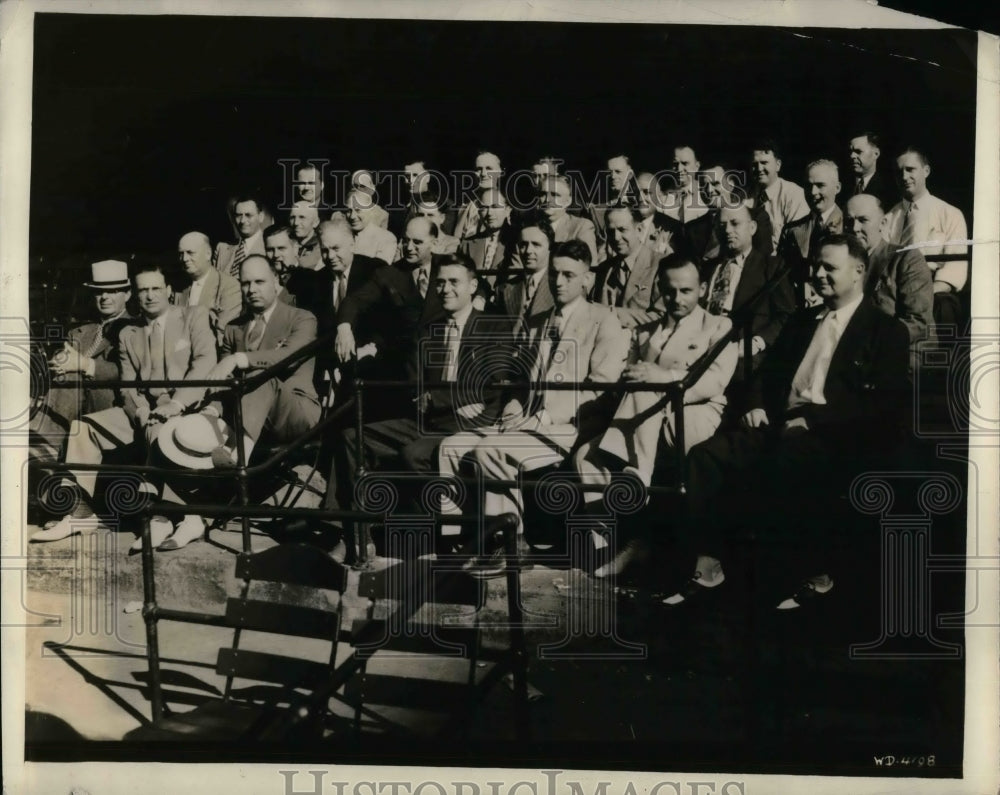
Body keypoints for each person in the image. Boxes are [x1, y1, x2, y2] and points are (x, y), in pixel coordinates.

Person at [664, 234, 909, 609]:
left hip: (833, 433)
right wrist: (758, 403)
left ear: (859, 271)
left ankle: (812, 575)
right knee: (706, 456)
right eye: (816, 267)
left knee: (788, 462)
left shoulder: (885, 330)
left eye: (830, 268)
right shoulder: (802, 320)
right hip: (777, 423)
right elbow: (767, 374)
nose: (818, 275)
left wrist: (814, 420)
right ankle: (709, 567)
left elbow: (882, 403)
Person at [438, 239, 629, 563]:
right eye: (554, 274)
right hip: (525, 421)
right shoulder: (537, 322)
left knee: (489, 451)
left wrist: (549, 417)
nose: (558, 282)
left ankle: (512, 541)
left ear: (588, 279)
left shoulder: (602, 320)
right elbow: (517, 376)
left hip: (572, 425)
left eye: (569, 275)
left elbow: (601, 387)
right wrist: (514, 401)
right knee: (450, 447)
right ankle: (457, 541)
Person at [331, 255, 512, 549]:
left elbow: (491, 385)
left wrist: (440, 397)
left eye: (454, 282)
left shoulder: (494, 328)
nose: (445, 289)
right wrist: (452, 397)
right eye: (440, 282)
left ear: (472, 286)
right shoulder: (429, 330)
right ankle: (359, 537)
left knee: (414, 453)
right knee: (354, 436)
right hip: (427, 420)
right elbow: (416, 387)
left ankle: (433, 539)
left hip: (469, 424)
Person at [32, 263, 217, 549]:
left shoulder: (192, 316)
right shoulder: (129, 333)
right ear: (137, 294)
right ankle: (81, 513)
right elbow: (129, 386)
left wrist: (177, 403)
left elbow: (204, 363)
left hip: (187, 407)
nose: (150, 296)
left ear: (169, 290)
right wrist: (141, 411)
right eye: (144, 290)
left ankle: (171, 517)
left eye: (156, 288)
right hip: (144, 410)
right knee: (84, 428)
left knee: (160, 433)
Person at [574, 253, 738, 576]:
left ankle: (637, 479)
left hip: (693, 415)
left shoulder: (719, 326)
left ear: (702, 289)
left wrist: (662, 379)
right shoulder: (646, 332)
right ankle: (607, 542)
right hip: (641, 421)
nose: (677, 299)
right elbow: (626, 376)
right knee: (584, 456)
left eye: (686, 291)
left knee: (648, 385)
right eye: (669, 291)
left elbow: (713, 382)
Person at [31, 260, 134, 457]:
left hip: (108, 403)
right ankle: (43, 445)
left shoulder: (135, 329)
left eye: (112, 291)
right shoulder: (80, 332)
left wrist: (84, 364)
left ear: (127, 294)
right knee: (65, 377)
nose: (104, 297)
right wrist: (59, 364)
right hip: (71, 403)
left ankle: (45, 446)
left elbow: (128, 371)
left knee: (71, 378)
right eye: (98, 292)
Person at [701, 203, 795, 373]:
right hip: (701, 350)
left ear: (752, 228)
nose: (727, 230)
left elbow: (786, 315)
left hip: (744, 356)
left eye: (735, 223)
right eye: (722, 225)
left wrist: (758, 342)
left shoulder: (771, 267)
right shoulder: (707, 269)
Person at [882, 147, 968, 325]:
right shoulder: (888, 218)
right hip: (894, 293)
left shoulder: (949, 214)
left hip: (934, 293)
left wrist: (922, 293)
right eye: (899, 172)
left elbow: (954, 271)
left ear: (926, 171)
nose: (904, 177)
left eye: (910, 169)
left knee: (944, 308)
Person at [845, 193, 933, 347]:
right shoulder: (843, 264)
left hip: (903, 351)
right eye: (849, 221)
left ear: (883, 223)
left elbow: (917, 322)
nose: (854, 228)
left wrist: (868, 341)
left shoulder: (907, 258)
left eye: (863, 220)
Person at [777, 159, 844, 305]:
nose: (813, 192)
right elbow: (782, 277)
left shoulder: (850, 227)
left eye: (820, 185)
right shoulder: (791, 230)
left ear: (837, 188)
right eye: (808, 186)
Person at [590, 206, 665, 328]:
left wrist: (613, 313)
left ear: (639, 229)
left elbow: (664, 316)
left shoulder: (661, 265)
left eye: (622, 230)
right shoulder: (604, 269)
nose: (616, 237)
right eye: (610, 231)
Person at [489, 211, 556, 335]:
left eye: (536, 245)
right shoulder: (504, 289)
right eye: (523, 245)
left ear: (550, 248)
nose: (528, 251)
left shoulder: (560, 285)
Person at [175, 231, 242, 348]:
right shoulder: (179, 287)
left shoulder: (229, 286)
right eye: (181, 253)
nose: (184, 258)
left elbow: (223, 334)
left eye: (190, 253)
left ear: (208, 254)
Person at [750, 141, 810, 254]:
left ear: (778, 165)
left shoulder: (793, 195)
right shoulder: (745, 196)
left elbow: (797, 243)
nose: (758, 169)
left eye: (764, 163)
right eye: (754, 164)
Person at [540, 174, 599, 267]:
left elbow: (590, 268)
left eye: (555, 195)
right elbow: (515, 271)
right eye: (543, 194)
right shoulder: (529, 228)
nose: (547, 199)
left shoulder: (581, 227)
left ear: (568, 201)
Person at [459, 187, 513, 280]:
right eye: (484, 208)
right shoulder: (467, 244)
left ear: (507, 210)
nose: (489, 213)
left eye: (495, 206)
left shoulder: (516, 241)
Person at [453, 150, 504, 240]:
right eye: (478, 169)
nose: (483, 174)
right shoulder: (465, 207)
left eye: (489, 168)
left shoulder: (507, 206)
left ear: (500, 172)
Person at [215, 195, 268, 277]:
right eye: (238, 215)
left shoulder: (270, 246)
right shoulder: (222, 248)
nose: (242, 221)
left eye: (248, 215)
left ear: (261, 217)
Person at [346, 188, 398, 265]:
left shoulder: (386, 239)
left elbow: (380, 273)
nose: (352, 216)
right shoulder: (341, 235)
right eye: (349, 211)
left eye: (358, 210)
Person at [846, 132, 896, 210]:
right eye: (850, 152)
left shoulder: (889, 190)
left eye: (858, 151)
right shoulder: (843, 187)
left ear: (876, 154)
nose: (852, 156)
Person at [289, 201, 322, 269]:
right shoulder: (287, 242)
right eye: (292, 217)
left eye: (302, 217)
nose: (296, 223)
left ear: (315, 222)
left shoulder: (321, 246)